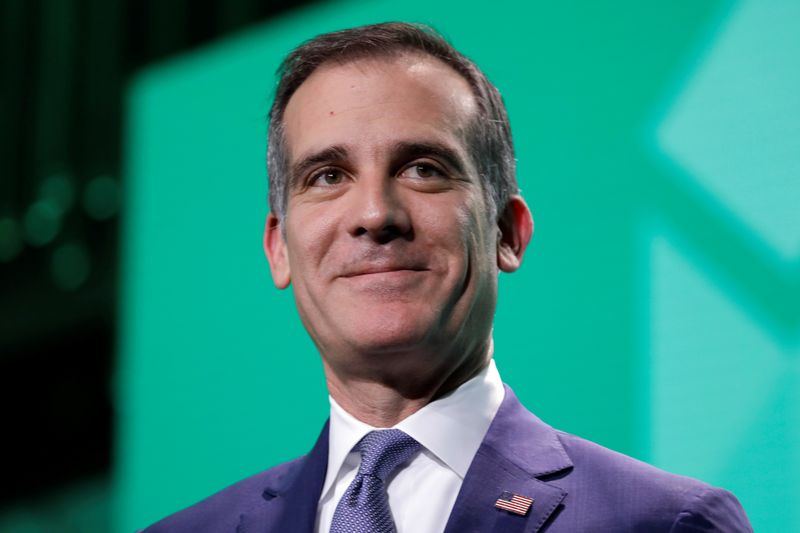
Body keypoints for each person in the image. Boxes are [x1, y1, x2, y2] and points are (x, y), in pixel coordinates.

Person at [143, 22, 752, 532]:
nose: (375, 215)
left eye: (424, 169)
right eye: (327, 176)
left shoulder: (663, 523)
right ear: (279, 249)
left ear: (507, 234)